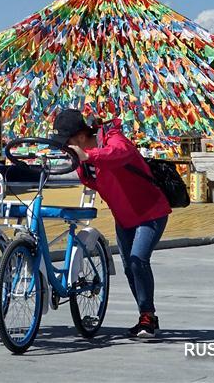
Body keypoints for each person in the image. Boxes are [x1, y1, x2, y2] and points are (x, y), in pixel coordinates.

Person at [55, 108, 171, 339]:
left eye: (66, 141)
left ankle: (148, 316)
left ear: (79, 136)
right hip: (125, 218)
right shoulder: (82, 160)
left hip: (151, 212)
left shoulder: (111, 138)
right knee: (129, 266)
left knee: (138, 260)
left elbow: (119, 153)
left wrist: (90, 156)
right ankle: (145, 314)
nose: (64, 147)